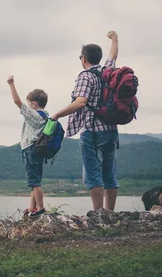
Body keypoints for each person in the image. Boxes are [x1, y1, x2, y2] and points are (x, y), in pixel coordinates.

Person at [51, 31, 120, 211]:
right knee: (109, 173)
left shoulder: (85, 76)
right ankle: (110, 213)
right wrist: (114, 39)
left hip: (92, 130)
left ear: (83, 59)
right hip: (111, 130)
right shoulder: (108, 71)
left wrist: (57, 114)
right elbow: (113, 55)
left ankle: (98, 214)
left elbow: (81, 102)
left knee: (93, 173)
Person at [7, 76, 49, 217]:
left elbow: (16, 102)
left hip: (30, 149)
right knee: (34, 181)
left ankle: (41, 208)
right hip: (38, 150)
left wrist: (11, 84)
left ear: (34, 104)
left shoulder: (34, 115)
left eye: (29, 103)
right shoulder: (45, 116)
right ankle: (32, 208)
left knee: (34, 181)